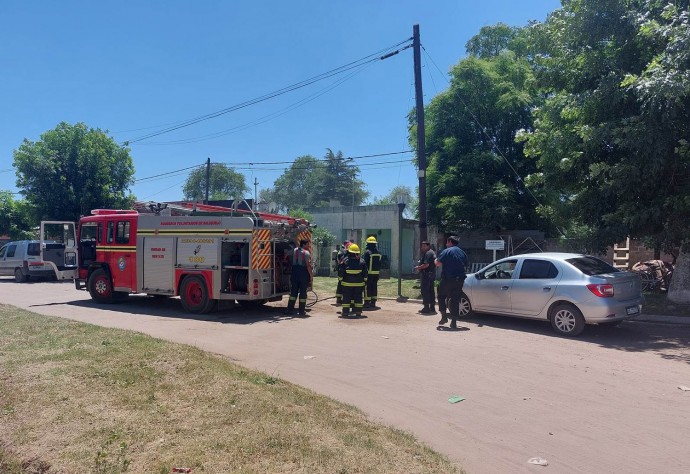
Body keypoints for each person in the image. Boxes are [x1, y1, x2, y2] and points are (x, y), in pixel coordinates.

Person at [435, 236, 468, 329]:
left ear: (450, 242)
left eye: (446, 242)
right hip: (460, 280)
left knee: (441, 296)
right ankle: (453, 322)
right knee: (455, 300)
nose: (446, 244)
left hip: (448, 279)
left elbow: (438, 263)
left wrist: (435, 260)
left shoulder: (446, 251)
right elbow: (465, 266)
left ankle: (444, 316)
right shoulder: (463, 253)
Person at [338, 244, 367, 318]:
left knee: (346, 298)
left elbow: (341, 271)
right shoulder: (362, 261)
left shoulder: (345, 261)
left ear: (349, 252)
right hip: (359, 284)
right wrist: (365, 281)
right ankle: (358, 311)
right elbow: (365, 273)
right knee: (358, 298)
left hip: (347, 284)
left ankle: (345, 312)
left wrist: (340, 280)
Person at [285, 239, 311, 316]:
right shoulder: (306, 253)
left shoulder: (294, 250)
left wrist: (288, 262)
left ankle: (289, 310)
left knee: (293, 293)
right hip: (303, 275)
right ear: (304, 245)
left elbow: (286, 254)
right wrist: (311, 276)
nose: (308, 246)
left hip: (294, 274)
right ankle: (301, 311)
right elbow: (308, 265)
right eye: (307, 244)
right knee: (303, 294)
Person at [414, 241, 437, 314]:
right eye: (422, 246)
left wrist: (418, 268)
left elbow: (426, 265)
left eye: (424, 246)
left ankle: (426, 307)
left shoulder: (428, 253)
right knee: (431, 291)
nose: (422, 247)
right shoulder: (432, 252)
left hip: (426, 274)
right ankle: (432, 308)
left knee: (425, 291)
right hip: (431, 274)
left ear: (428, 246)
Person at [362, 236, 382, 310]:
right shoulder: (379, 252)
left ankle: (367, 302)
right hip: (376, 273)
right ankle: (373, 302)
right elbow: (380, 263)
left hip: (369, 273)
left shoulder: (367, 252)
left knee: (367, 287)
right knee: (374, 287)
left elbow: (364, 263)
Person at [334, 240, 350, 306]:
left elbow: (337, 260)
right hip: (343, 269)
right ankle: (340, 299)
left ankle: (339, 299)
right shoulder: (344, 252)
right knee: (342, 284)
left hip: (341, 269)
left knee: (340, 284)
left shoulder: (340, 251)